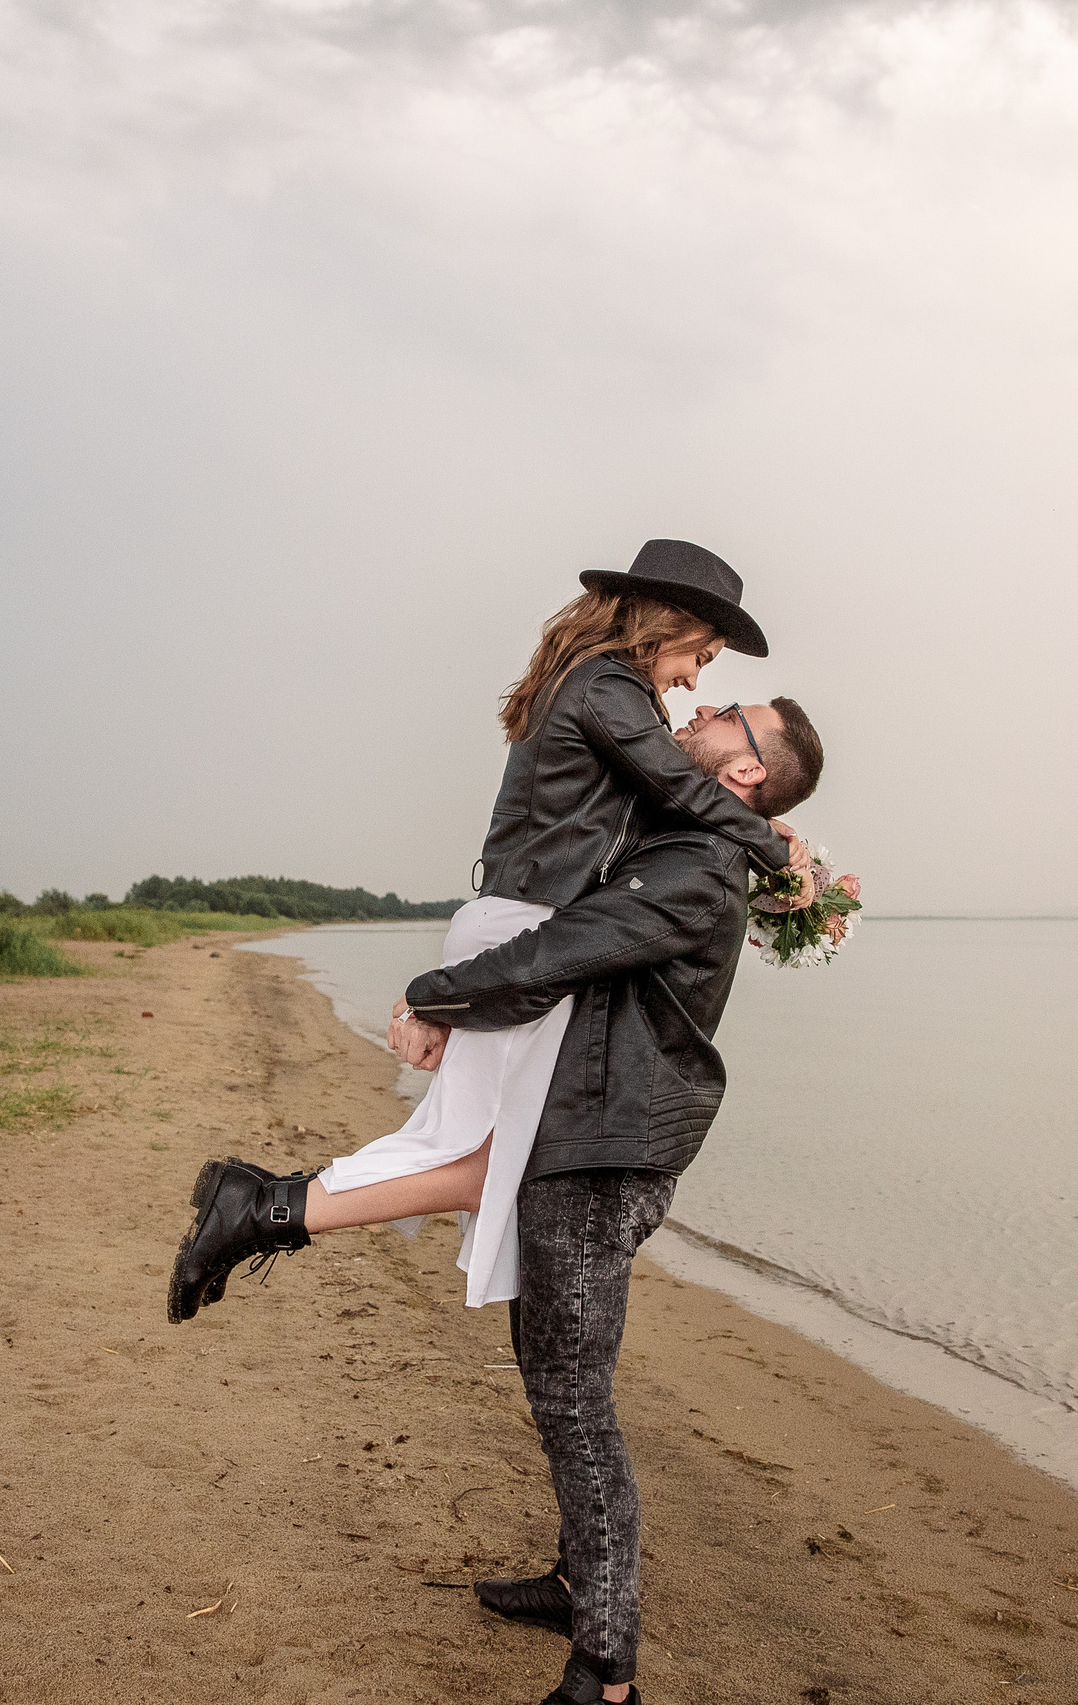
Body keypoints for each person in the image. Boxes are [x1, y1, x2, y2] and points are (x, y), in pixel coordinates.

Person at [196, 693, 828, 1705]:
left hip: (604, 1151)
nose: (700, 704)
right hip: (579, 1130)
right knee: (552, 1383)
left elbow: (561, 950)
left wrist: (430, 993)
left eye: (728, 712)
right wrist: (783, 848)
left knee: (577, 1405)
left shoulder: (696, 871)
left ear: (746, 769)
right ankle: (580, 1578)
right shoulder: (690, 839)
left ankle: (607, 1672)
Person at [167, 539, 810, 1321]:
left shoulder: (603, 686)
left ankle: (262, 1205)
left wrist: (778, 879)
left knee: (479, 1154)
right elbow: (683, 789)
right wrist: (773, 842)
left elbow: (664, 824)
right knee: (475, 1159)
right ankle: (262, 1207)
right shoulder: (607, 685)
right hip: (526, 928)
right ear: (666, 623)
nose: (696, 679)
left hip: (518, 920)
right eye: (700, 655)